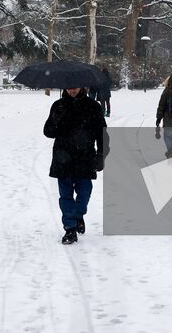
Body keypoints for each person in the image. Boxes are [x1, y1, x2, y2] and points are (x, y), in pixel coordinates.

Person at [43, 85, 108, 245]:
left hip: (84, 157)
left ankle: (78, 215)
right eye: (69, 87)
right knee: (65, 195)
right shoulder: (58, 105)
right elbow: (48, 132)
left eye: (75, 87)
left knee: (85, 192)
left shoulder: (93, 106)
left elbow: (102, 133)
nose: (72, 90)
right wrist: (55, 118)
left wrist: (101, 154)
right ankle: (70, 228)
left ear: (82, 87)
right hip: (62, 157)